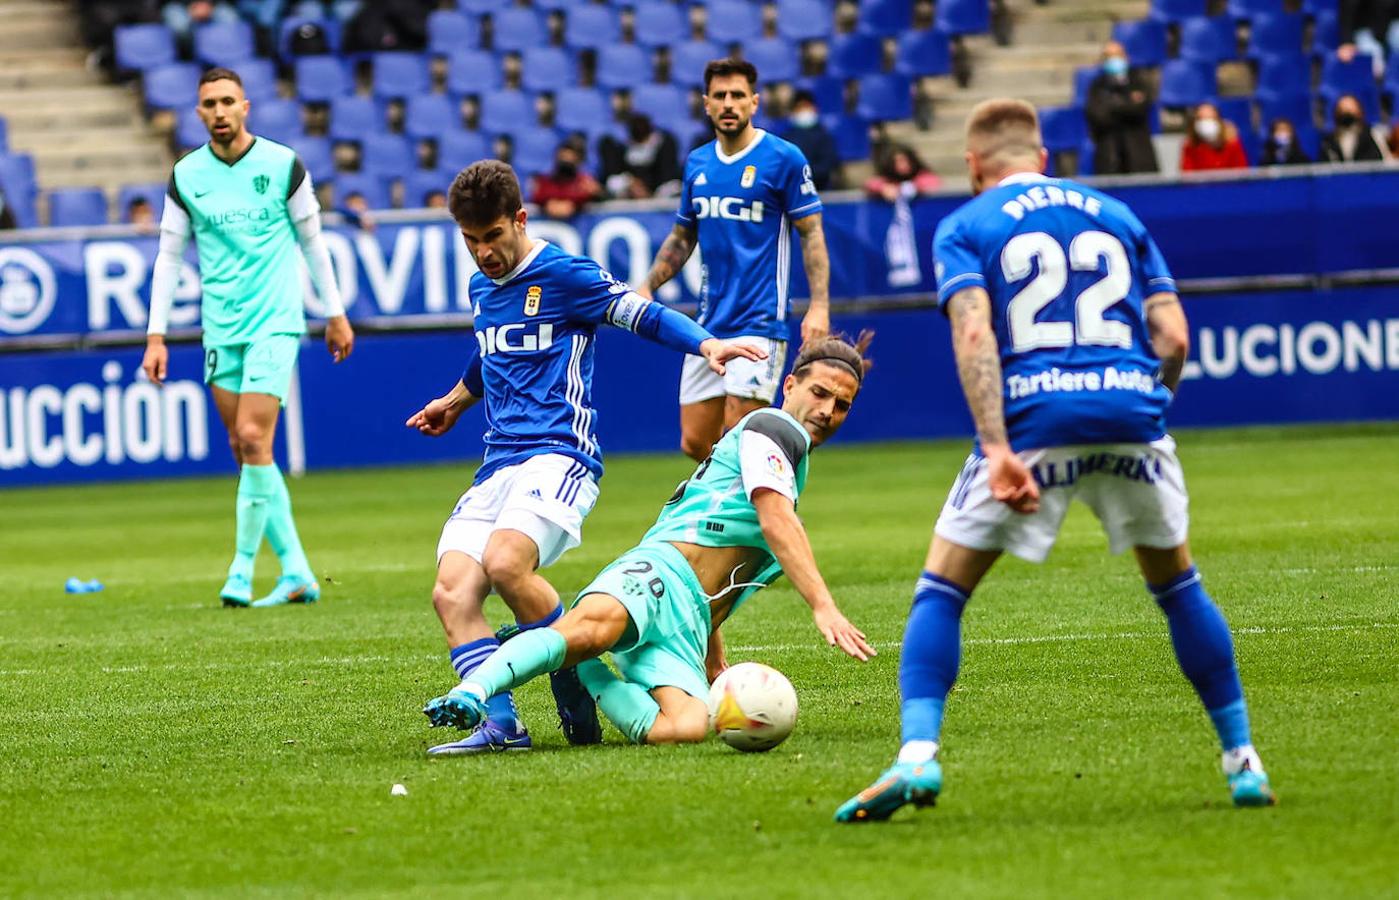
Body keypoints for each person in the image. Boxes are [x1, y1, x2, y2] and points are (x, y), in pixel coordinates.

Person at [835, 98, 1275, 823]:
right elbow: (1173, 338)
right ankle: (1243, 762)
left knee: (941, 590)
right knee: (1177, 587)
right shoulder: (1116, 214)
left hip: (1035, 418)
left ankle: (916, 756)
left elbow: (974, 336)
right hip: (1130, 411)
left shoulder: (965, 225)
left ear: (974, 165)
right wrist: (1145, 409)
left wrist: (999, 448)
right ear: (1042, 157)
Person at [404, 160, 765, 755]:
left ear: (519, 220)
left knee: (505, 565)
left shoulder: (564, 275)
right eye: (471, 241)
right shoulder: (481, 289)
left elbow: (639, 312)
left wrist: (707, 344)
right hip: (499, 462)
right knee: (452, 592)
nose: (483, 254)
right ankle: (501, 726)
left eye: (493, 237)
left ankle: (575, 674)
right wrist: (454, 402)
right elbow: (490, 354)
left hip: (559, 455)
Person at [422, 336, 876, 745]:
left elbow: (722, 567)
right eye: (820, 393)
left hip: (689, 624)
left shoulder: (783, 450)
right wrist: (823, 605)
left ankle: (586, 670)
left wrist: (714, 661)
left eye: (843, 405)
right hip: (659, 575)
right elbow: (775, 520)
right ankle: (473, 690)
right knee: (587, 630)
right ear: (790, 385)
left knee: (686, 728)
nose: (827, 411)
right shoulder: (775, 429)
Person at [141, 67, 355, 609]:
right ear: (198, 113)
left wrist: (334, 312)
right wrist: (156, 334)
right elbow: (168, 258)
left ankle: (240, 570)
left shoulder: (283, 165)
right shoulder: (186, 175)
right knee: (245, 450)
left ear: (245, 106)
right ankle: (299, 572)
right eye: (209, 103)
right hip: (221, 325)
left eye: (227, 101)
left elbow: (314, 242)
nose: (218, 111)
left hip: (276, 321)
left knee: (255, 440)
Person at [637, 58, 833, 463]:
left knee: (744, 432)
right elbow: (682, 236)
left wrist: (819, 306)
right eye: (720, 96)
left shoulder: (784, 158)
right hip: (708, 325)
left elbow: (811, 233)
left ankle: (764, 514)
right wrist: (648, 285)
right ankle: (755, 495)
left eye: (738, 95)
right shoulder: (697, 163)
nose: (729, 103)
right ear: (706, 104)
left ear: (754, 102)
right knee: (695, 442)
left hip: (760, 319)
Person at [1084, 41, 1159, 175]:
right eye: (1108, 57)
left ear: (1125, 57)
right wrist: (1127, 103)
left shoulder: (1139, 80)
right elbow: (1097, 115)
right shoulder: (1097, 85)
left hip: (1139, 158)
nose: (1113, 60)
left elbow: (1140, 110)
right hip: (1109, 158)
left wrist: (1113, 104)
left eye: (1116, 55)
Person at [598, 114, 682, 200]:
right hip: (629, 190)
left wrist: (650, 191)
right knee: (614, 184)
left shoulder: (665, 145)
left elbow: (668, 176)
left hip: (658, 191)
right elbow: (612, 178)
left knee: (675, 186)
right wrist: (631, 183)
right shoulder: (617, 148)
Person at [784, 89, 841, 190]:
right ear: (793, 112)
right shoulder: (786, 138)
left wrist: (804, 175)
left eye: (806, 106)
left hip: (821, 190)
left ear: (814, 109)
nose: (804, 111)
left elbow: (827, 165)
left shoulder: (825, 136)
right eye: (799, 108)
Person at [531, 142, 603, 219]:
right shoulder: (544, 182)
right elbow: (537, 197)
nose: (566, 162)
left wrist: (574, 205)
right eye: (563, 157)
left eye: (571, 159)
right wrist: (548, 204)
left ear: (579, 161)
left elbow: (599, 197)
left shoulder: (584, 182)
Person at [1180, 102, 1249, 172]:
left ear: (1218, 121)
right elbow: (1187, 175)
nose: (1206, 123)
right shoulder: (1190, 145)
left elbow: (1241, 173)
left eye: (1210, 118)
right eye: (1201, 119)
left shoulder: (1232, 143)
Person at [1320, 94, 1387, 163]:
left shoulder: (1373, 135)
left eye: (1350, 111)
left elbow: (1382, 162)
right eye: (1342, 111)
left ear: (1359, 112)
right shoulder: (1328, 142)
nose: (1346, 114)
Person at [863, 143, 941, 201]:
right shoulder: (888, 178)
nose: (902, 165)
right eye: (897, 161)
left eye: (904, 160)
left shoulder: (922, 174)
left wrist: (914, 188)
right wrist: (883, 188)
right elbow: (871, 183)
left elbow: (932, 182)